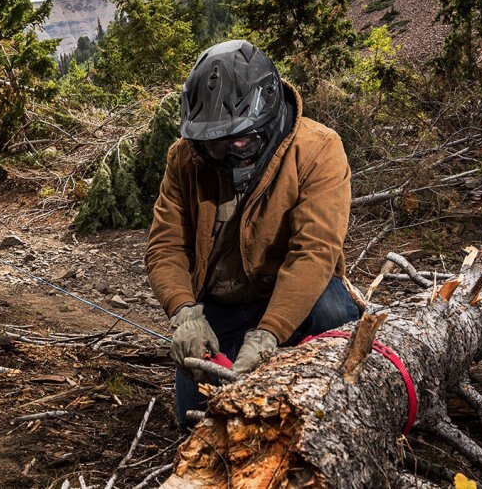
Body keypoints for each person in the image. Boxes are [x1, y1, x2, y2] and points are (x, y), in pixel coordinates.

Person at [145, 40, 362, 429]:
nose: (231, 151)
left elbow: (314, 251)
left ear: (269, 116)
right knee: (196, 423)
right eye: (217, 141)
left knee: (334, 317)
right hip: (220, 302)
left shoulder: (317, 149)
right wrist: (183, 312)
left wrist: (269, 333)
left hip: (294, 292)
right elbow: (165, 246)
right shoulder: (185, 157)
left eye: (242, 138)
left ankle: (341, 412)